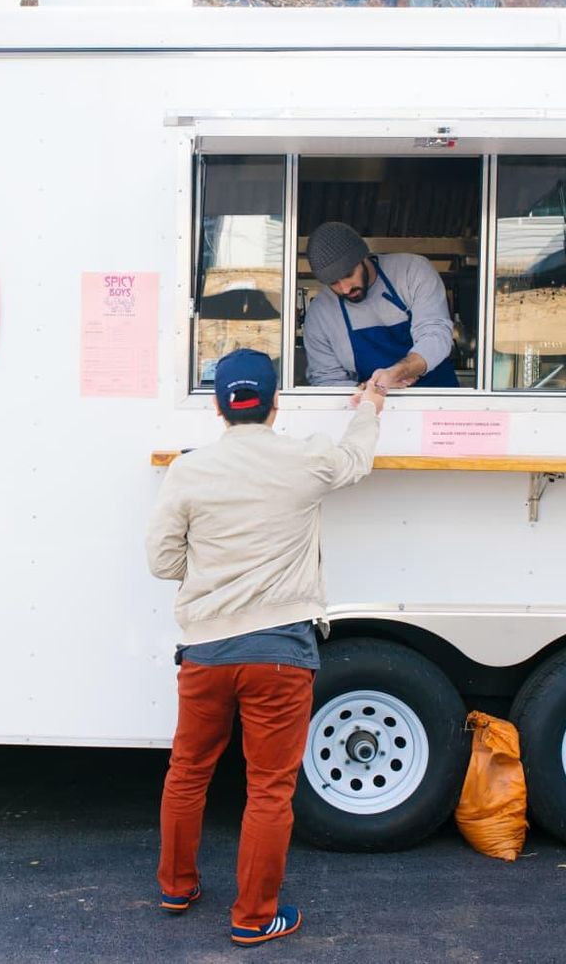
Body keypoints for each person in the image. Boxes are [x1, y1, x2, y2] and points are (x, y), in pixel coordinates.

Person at [146, 348, 384, 949]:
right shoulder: (303, 458)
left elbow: (161, 560)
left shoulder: (188, 470)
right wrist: (369, 407)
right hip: (280, 654)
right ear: (276, 403)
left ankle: (176, 887)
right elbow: (357, 459)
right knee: (269, 788)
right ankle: (253, 917)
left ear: (220, 407)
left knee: (188, 773)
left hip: (205, 651)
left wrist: (209, 572)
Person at [303, 220, 458, 389]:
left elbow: (435, 334)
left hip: (436, 401)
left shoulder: (411, 271)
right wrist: (363, 394)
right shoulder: (320, 313)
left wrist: (401, 371)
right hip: (372, 407)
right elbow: (327, 379)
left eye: (349, 274)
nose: (345, 288)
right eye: (333, 283)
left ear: (363, 257)